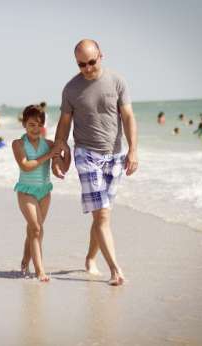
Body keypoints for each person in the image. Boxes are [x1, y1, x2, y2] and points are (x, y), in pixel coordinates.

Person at [52, 39, 138, 286]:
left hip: (115, 156)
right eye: (82, 65)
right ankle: (115, 269)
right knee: (102, 215)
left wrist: (133, 150)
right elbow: (65, 122)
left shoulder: (117, 81)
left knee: (102, 217)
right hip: (86, 155)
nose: (88, 68)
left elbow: (129, 116)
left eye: (91, 62)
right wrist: (58, 153)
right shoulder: (71, 89)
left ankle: (90, 258)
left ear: (101, 56)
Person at [12, 104, 69, 282]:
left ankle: (24, 262)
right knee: (36, 228)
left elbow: (62, 168)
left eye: (38, 125)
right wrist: (49, 154)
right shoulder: (18, 144)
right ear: (24, 125)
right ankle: (40, 271)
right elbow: (26, 166)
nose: (35, 129)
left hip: (44, 191)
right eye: (31, 125)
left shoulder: (49, 144)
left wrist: (66, 151)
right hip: (26, 191)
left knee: (34, 230)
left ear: (43, 125)